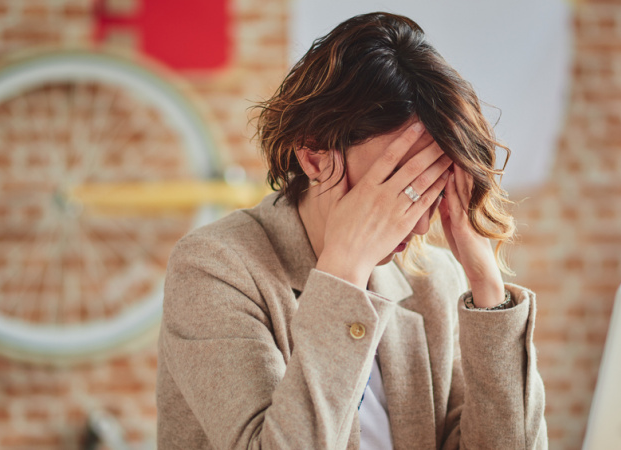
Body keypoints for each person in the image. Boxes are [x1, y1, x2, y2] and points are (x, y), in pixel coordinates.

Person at [157, 12, 547, 449]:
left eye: (432, 188)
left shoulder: (432, 282)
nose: (420, 222)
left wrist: (487, 289)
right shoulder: (215, 269)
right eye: (399, 183)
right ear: (315, 157)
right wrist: (343, 273)